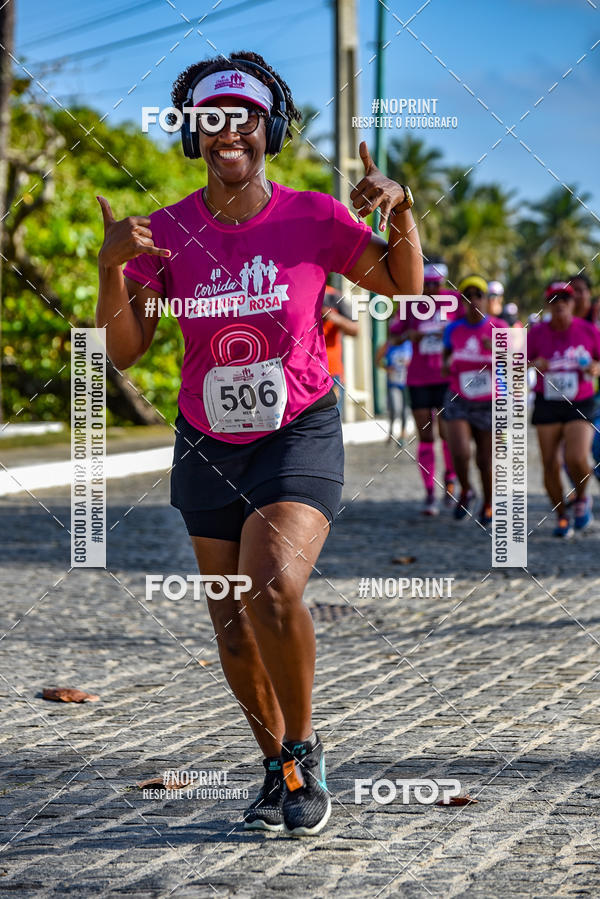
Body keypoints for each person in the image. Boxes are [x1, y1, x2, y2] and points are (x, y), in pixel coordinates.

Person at [95, 51, 423, 836]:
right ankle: (274, 765)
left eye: (242, 116)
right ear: (193, 135)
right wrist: (112, 270)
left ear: (267, 130)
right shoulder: (164, 231)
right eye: (210, 119)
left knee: (271, 587)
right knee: (233, 624)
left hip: (297, 432)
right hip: (206, 440)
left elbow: (405, 288)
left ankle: (306, 753)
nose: (226, 131)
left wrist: (402, 209)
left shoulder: (314, 216)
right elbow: (126, 350)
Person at [528, 281, 600, 537]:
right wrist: (533, 362)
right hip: (547, 402)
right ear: (547, 304)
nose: (560, 304)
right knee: (549, 464)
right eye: (554, 299)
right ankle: (560, 515)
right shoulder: (536, 332)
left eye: (565, 299)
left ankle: (581, 498)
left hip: (579, 402)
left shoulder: (588, 330)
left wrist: (595, 368)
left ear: (572, 303)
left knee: (576, 457)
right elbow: (517, 361)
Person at [389, 260, 460, 516]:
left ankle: (450, 481)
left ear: (444, 283)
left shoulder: (455, 300)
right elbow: (393, 335)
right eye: (427, 284)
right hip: (418, 378)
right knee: (426, 436)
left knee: (447, 434)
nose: (431, 289)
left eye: (436, 284)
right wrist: (409, 336)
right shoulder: (412, 304)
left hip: (445, 377)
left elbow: (469, 328)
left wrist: (449, 334)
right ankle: (430, 492)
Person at [442, 275, 508, 525]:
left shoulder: (499, 327)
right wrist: (447, 364)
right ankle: (466, 490)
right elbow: (444, 363)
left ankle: (489, 502)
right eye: (467, 296)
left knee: (485, 460)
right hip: (459, 396)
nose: (473, 301)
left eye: (478, 295)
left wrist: (494, 348)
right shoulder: (453, 329)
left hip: (489, 400)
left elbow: (516, 364)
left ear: (486, 299)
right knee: (459, 451)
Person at [321, 284, 359, 415]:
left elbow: (355, 329)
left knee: (333, 420)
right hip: (303, 373)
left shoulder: (334, 295)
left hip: (331, 372)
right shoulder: (297, 292)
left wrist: (332, 317)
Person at [376, 337, 412, 442]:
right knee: (395, 408)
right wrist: (386, 368)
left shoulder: (409, 343)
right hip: (393, 382)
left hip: (407, 382)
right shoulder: (388, 344)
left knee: (405, 408)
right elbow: (377, 360)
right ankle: (391, 431)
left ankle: (403, 434)